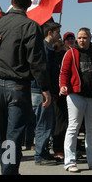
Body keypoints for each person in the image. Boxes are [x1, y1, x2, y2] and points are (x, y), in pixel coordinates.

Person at [0, 0, 52, 175]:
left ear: (12, 2)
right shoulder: (30, 26)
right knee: (13, 135)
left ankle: (6, 170)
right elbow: (36, 60)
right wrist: (45, 87)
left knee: (3, 134)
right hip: (16, 86)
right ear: (29, 4)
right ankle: (8, 171)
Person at [60, 27, 92, 173]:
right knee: (73, 128)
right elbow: (64, 72)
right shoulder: (71, 53)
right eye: (79, 38)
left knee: (91, 130)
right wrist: (63, 86)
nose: (82, 40)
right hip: (75, 95)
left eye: (85, 37)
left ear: (90, 39)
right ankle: (70, 162)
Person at [31, 21, 62, 166]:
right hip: (41, 91)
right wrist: (46, 90)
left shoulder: (50, 49)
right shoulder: (43, 49)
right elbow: (42, 71)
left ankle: (44, 152)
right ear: (50, 33)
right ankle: (40, 155)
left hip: (47, 91)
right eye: (57, 32)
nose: (60, 35)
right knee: (43, 123)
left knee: (47, 123)